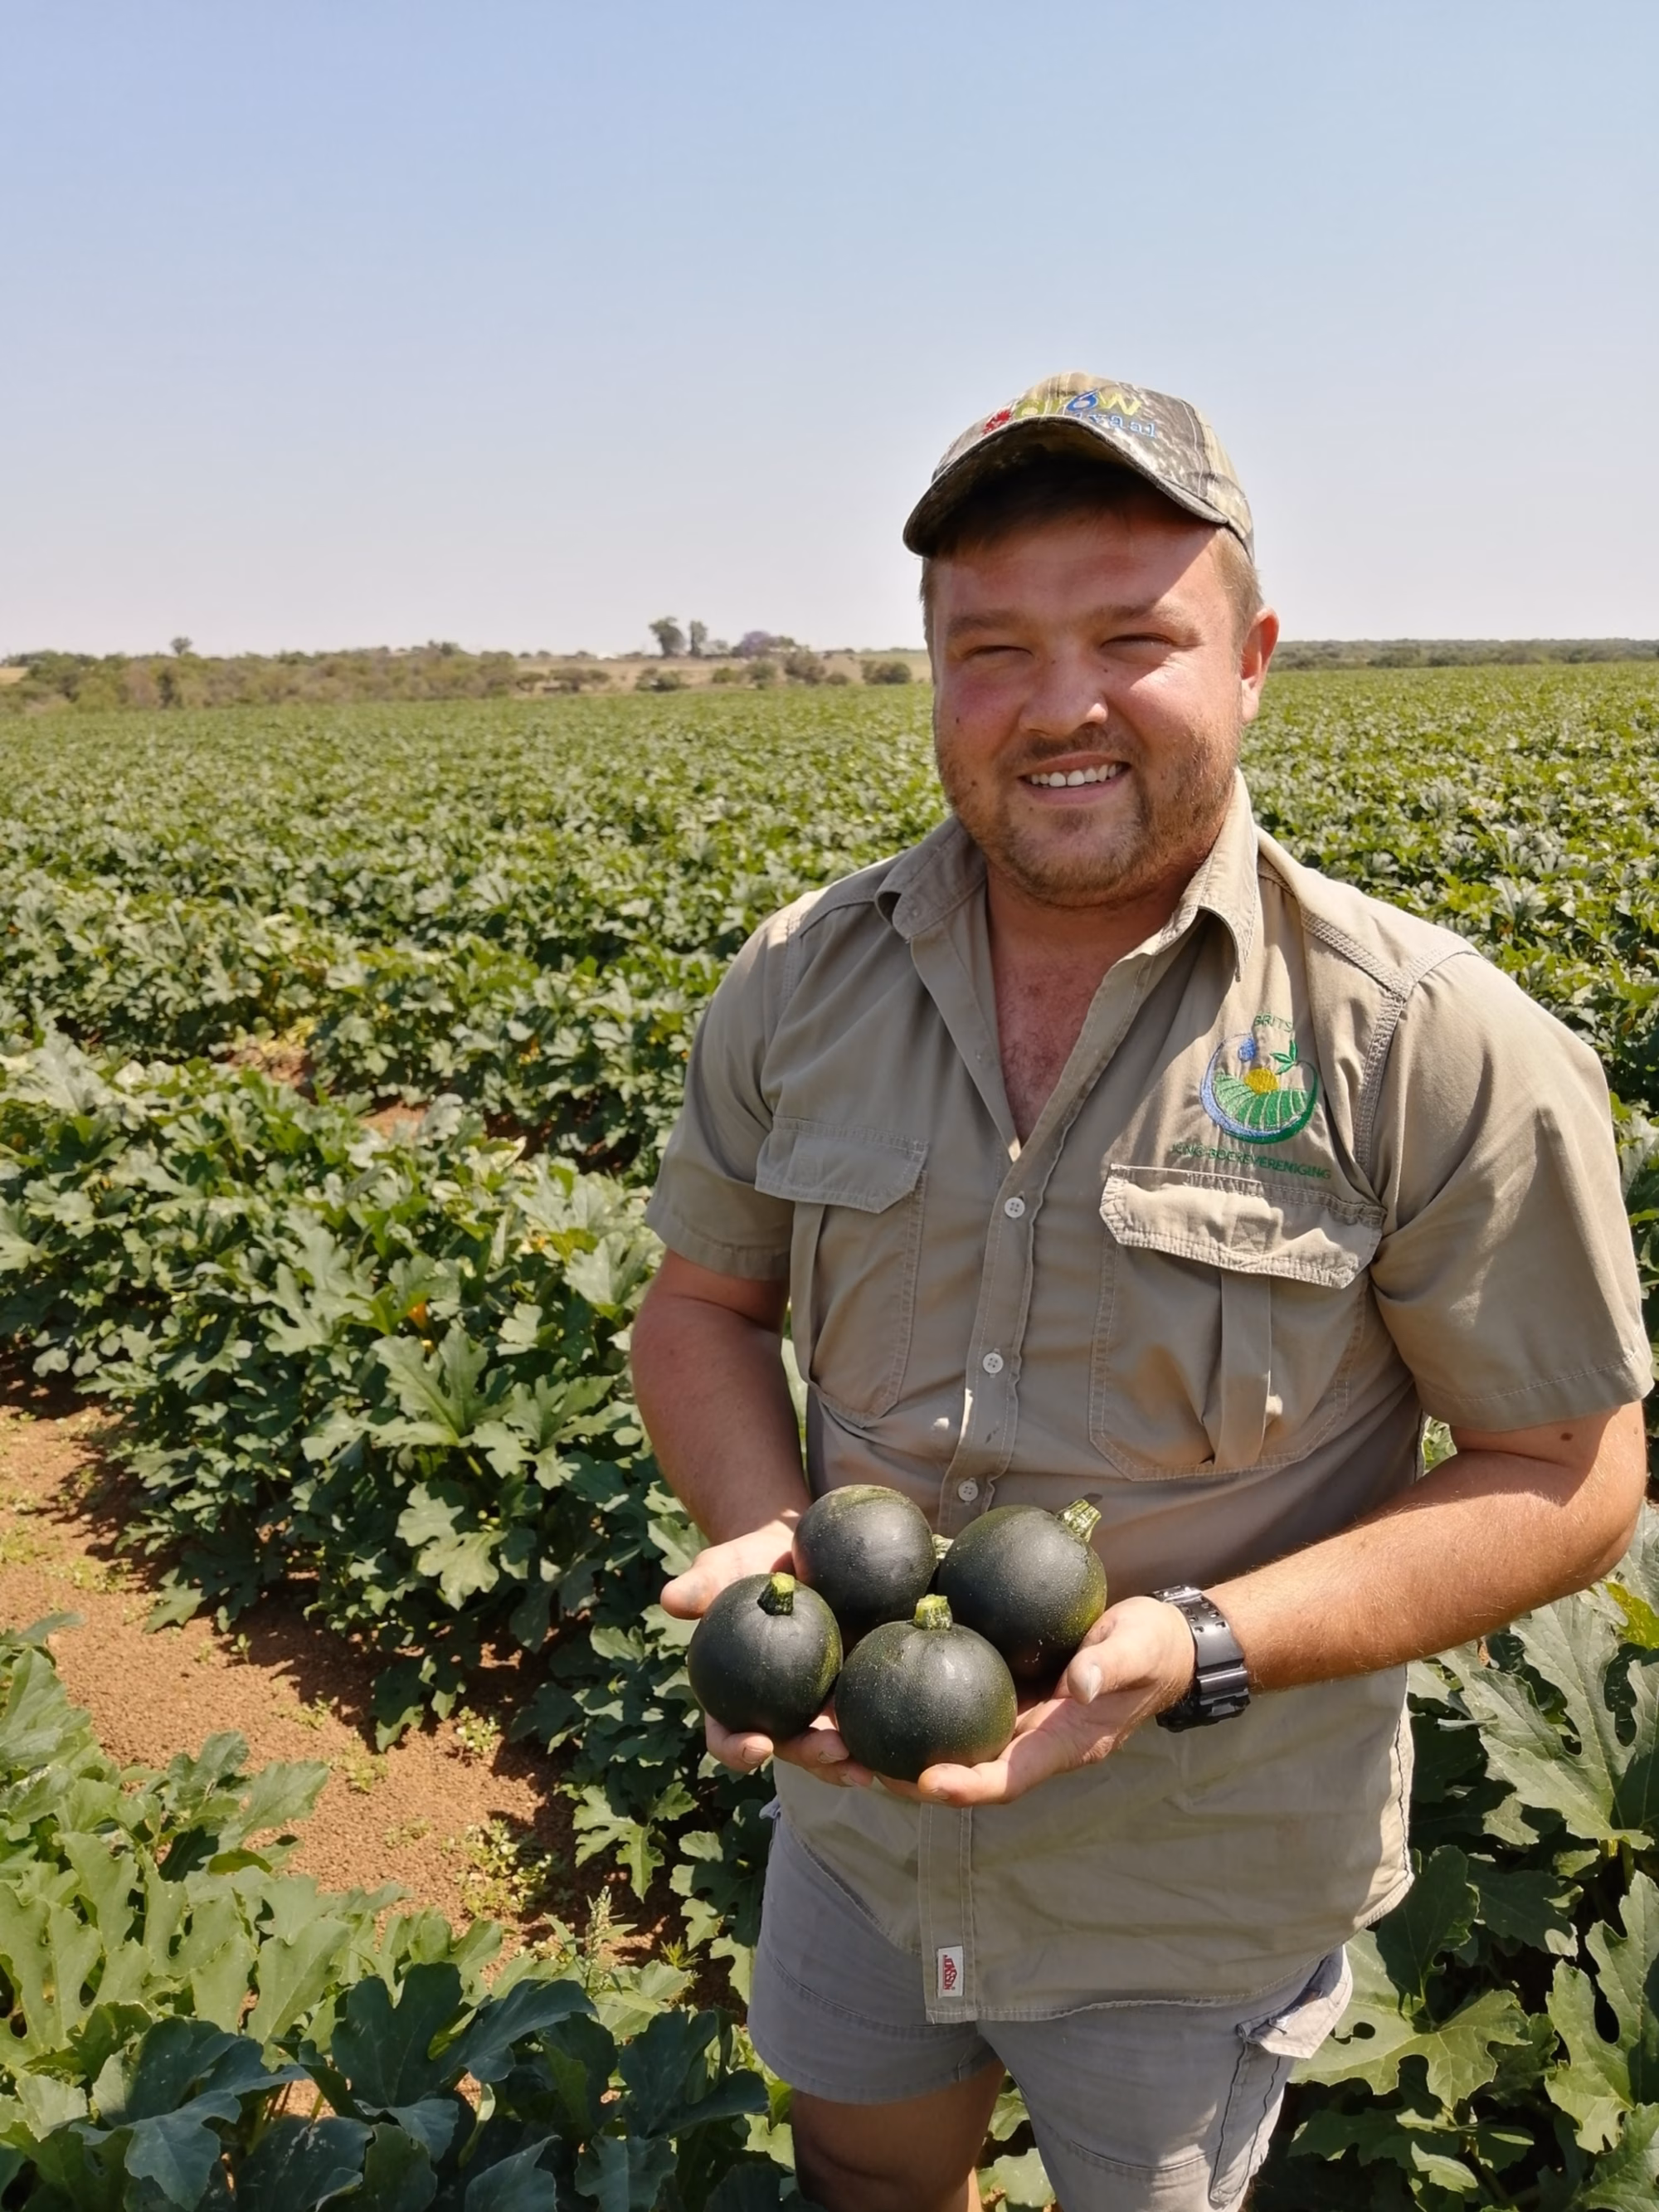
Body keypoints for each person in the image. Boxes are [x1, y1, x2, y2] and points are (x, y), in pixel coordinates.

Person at [628, 370, 1652, 2212]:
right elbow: (701, 1307)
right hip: (855, 1831)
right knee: (864, 2174)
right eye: (993, 648)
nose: (1060, 705)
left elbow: (1569, 1469)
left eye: (1131, 636)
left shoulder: (1430, 1042)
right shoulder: (796, 984)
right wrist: (772, 1545)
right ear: (930, 670)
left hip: (1193, 1878)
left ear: (1252, 655)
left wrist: (1204, 1643)